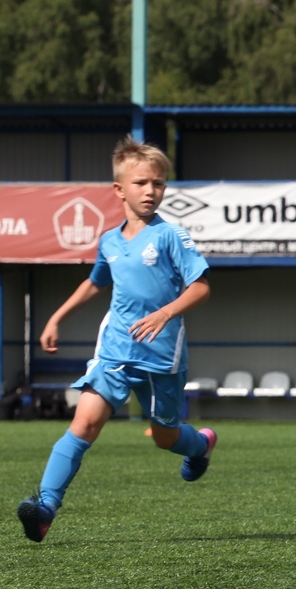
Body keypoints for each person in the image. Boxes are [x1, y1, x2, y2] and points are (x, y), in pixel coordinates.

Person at [17, 138, 216, 543]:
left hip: (162, 356)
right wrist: (57, 316)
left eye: (158, 184)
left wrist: (164, 313)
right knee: (85, 423)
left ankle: (200, 446)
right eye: (142, 182)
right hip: (115, 349)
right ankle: (45, 509)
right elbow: (96, 283)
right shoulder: (109, 240)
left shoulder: (171, 236)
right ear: (119, 190)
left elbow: (201, 288)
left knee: (165, 438)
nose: (151, 191)